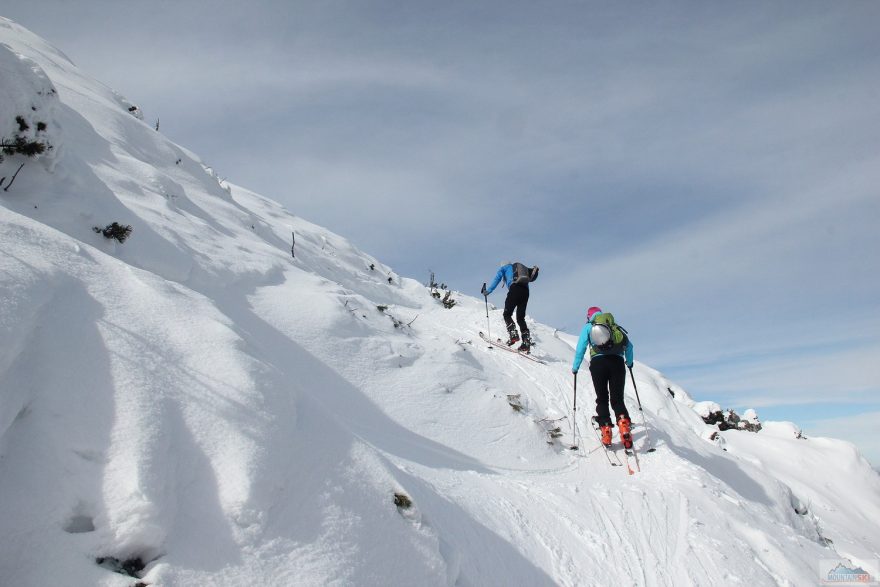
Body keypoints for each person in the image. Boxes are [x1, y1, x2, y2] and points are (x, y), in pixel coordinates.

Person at [571, 306, 634, 448]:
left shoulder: (589, 327)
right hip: (617, 363)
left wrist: (575, 367)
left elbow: (581, 347)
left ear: (589, 316)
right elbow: (629, 346)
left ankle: (606, 429)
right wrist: (629, 363)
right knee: (617, 398)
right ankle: (623, 423)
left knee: (602, 397)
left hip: (598, 364)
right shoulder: (613, 326)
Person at [481, 262, 539, 352]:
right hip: (525, 292)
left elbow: (497, 279)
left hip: (515, 289)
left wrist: (488, 291)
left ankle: (513, 335)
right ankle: (526, 343)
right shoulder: (520, 269)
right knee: (520, 318)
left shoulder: (504, 268)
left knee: (507, 314)